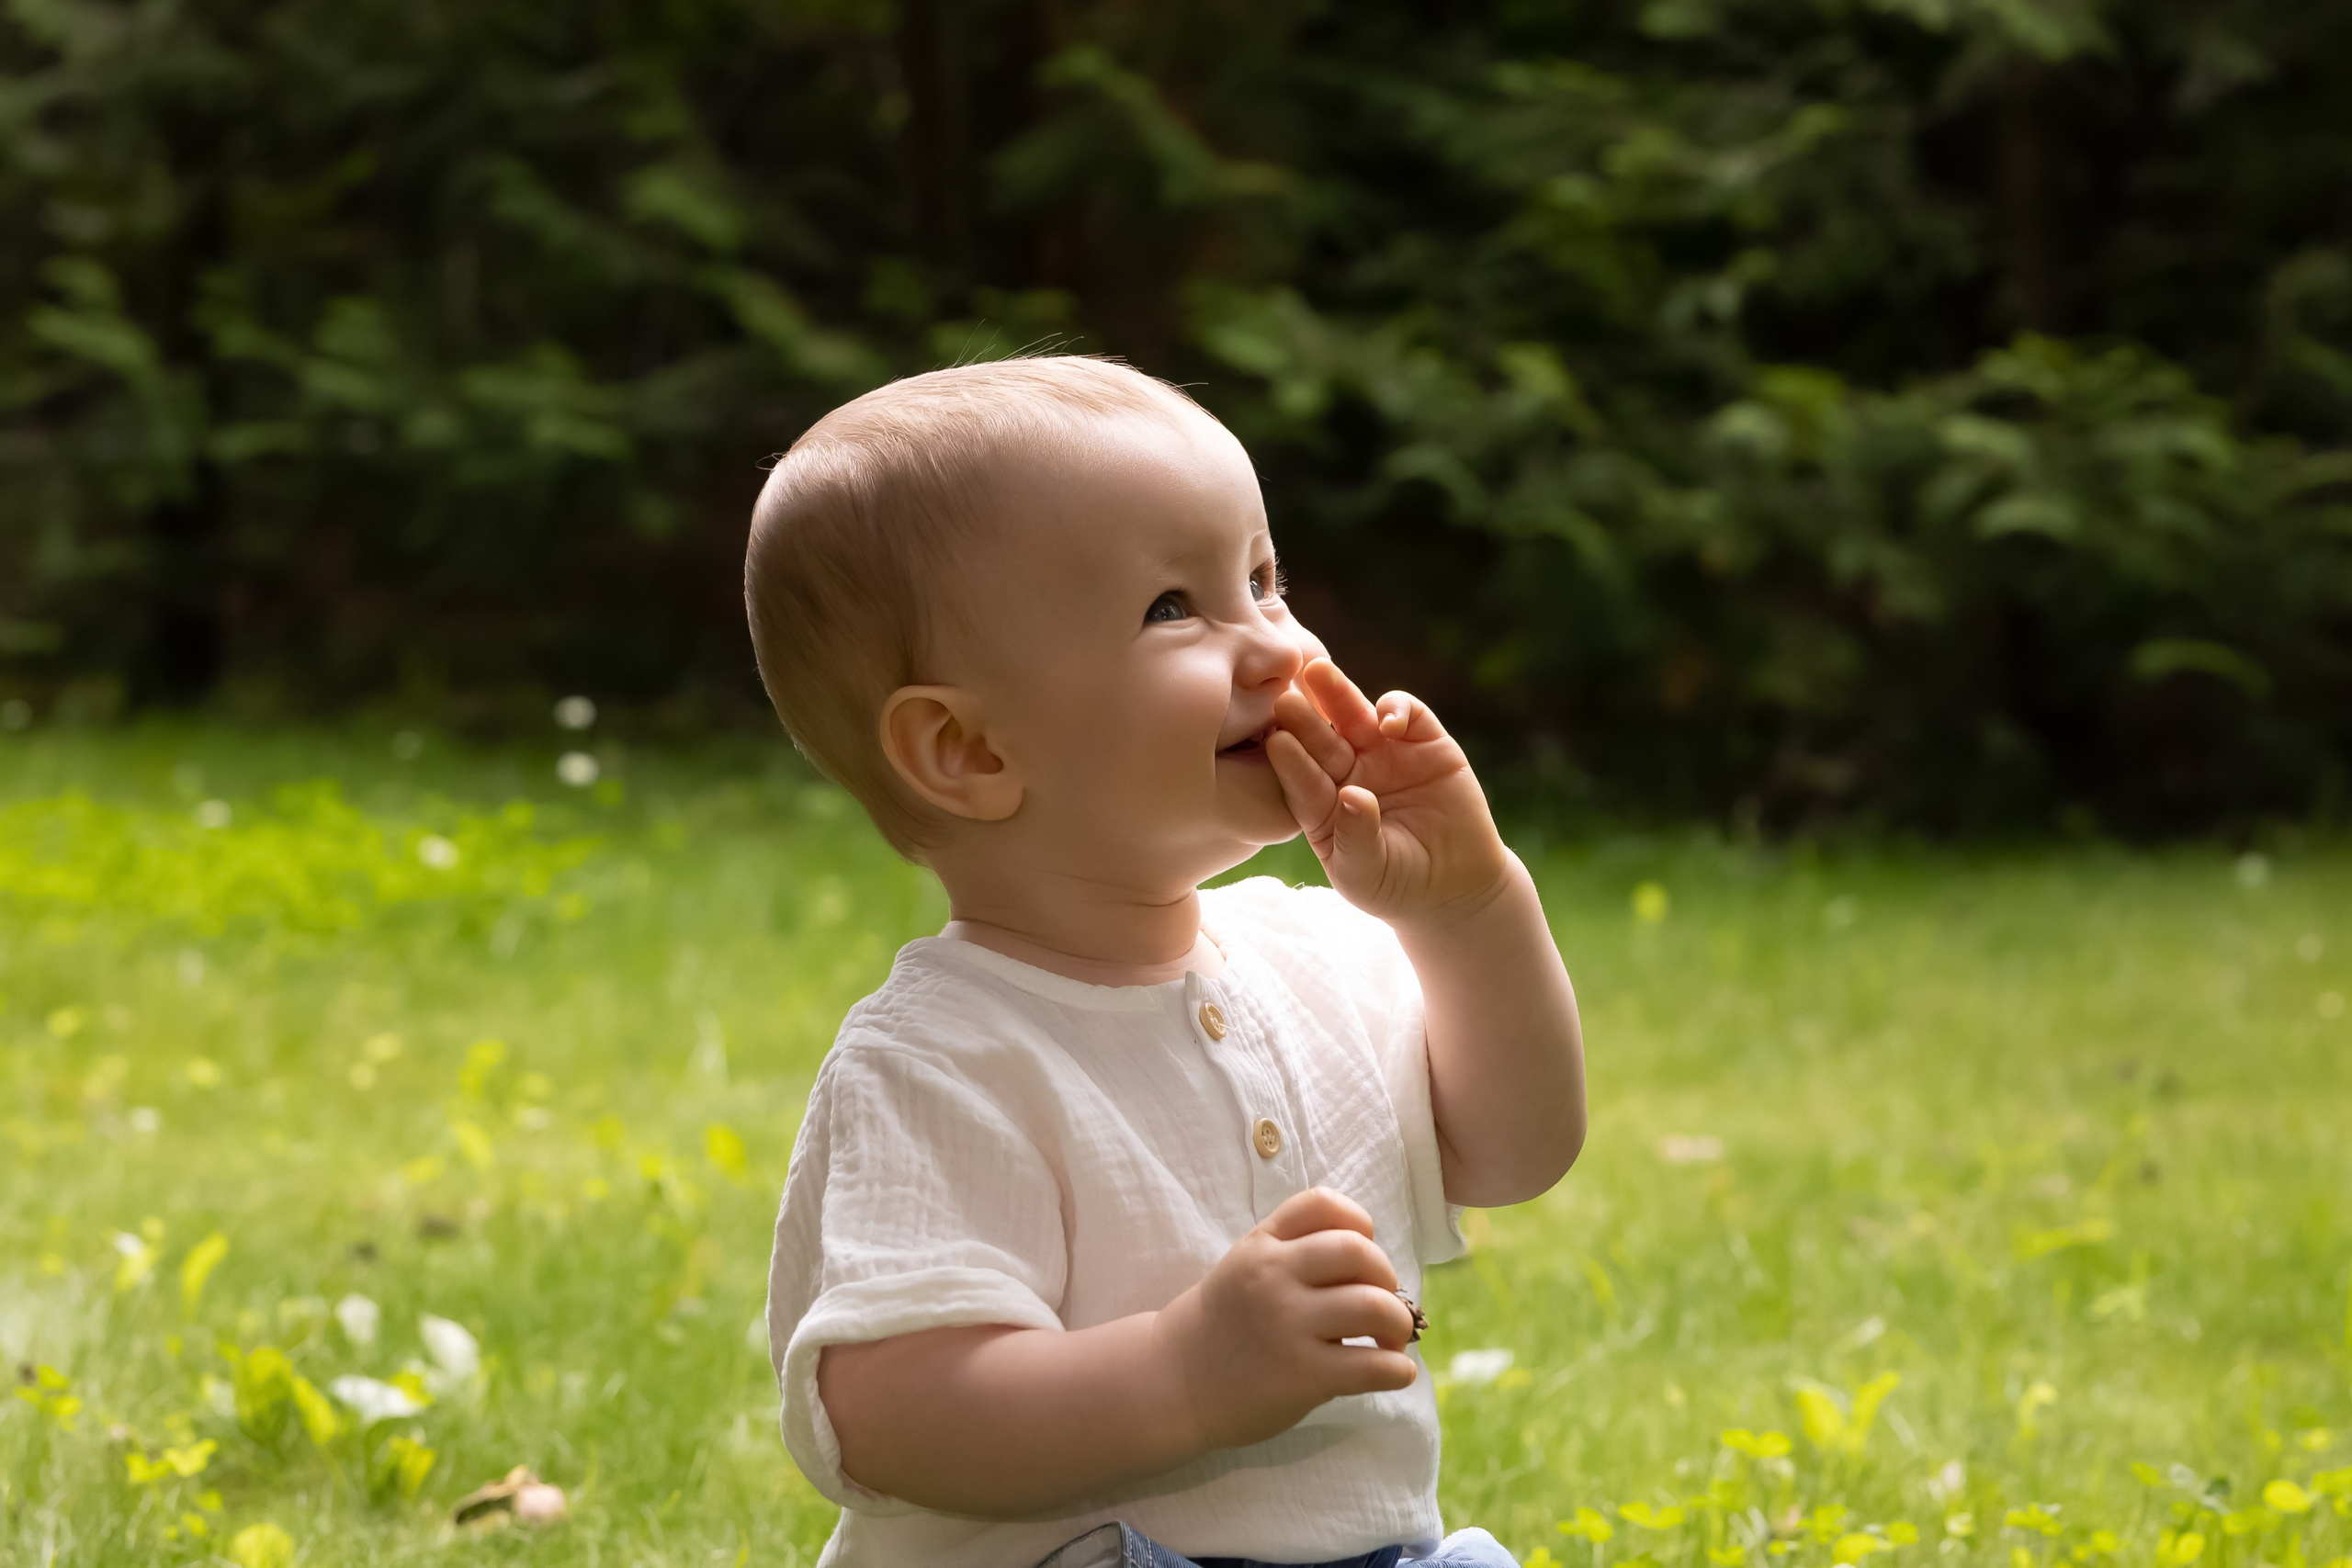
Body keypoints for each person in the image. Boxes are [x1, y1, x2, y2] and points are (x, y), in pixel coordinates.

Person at [746, 355, 1587, 1568]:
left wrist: (1468, 908)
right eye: (1173, 609)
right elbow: (890, 1420)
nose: (1270, 647)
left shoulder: (1320, 957)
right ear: (966, 750)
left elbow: (1519, 1147)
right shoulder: (942, 1058)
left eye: (1261, 578)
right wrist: (1189, 1374)